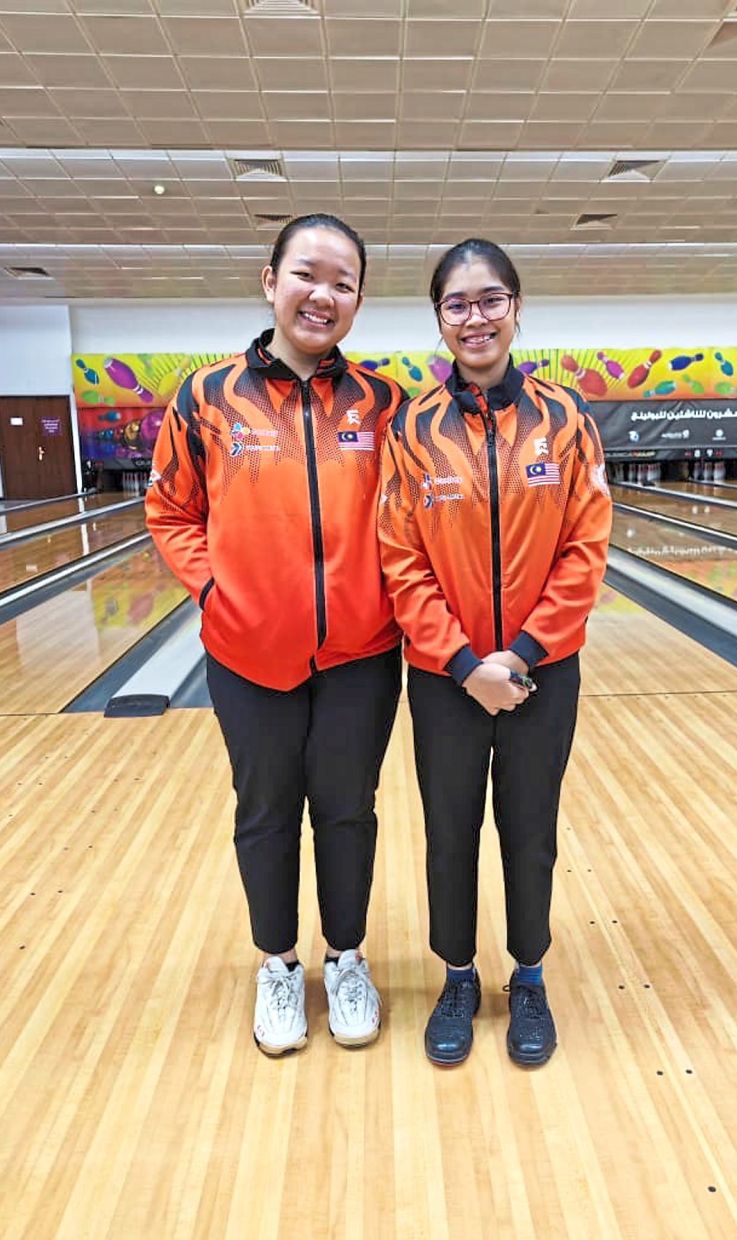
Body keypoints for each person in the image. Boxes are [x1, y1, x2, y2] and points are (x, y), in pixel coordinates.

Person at [145, 214, 404, 1057]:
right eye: (306, 274)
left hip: (362, 656)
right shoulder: (206, 397)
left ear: (359, 300)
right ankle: (279, 964)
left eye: (342, 282)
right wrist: (218, 591)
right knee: (264, 812)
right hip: (248, 656)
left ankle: (348, 957)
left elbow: (414, 519)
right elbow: (171, 510)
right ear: (270, 280)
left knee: (348, 811)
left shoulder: (385, 404)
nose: (321, 294)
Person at [378, 239, 612, 1067]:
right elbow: (399, 560)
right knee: (450, 831)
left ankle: (531, 978)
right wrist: (462, 663)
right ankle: (458, 974)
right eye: (457, 304)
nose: (474, 317)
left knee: (529, 830)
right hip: (446, 678)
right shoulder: (410, 430)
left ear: (516, 307)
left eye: (489, 300)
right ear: (439, 319)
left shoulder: (567, 418)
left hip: (541, 672)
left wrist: (519, 654)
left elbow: (586, 550)